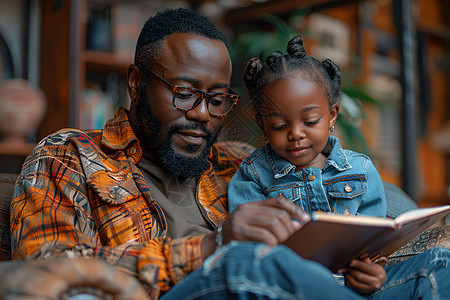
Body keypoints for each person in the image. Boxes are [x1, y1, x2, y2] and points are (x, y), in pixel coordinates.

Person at [5, 7, 449, 300]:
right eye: (184, 93)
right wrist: (210, 246)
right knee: (249, 261)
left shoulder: (244, 163)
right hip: (206, 284)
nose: (202, 114)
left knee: (440, 264)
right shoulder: (70, 156)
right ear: (137, 83)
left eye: (218, 99)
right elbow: (49, 271)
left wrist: (365, 269)